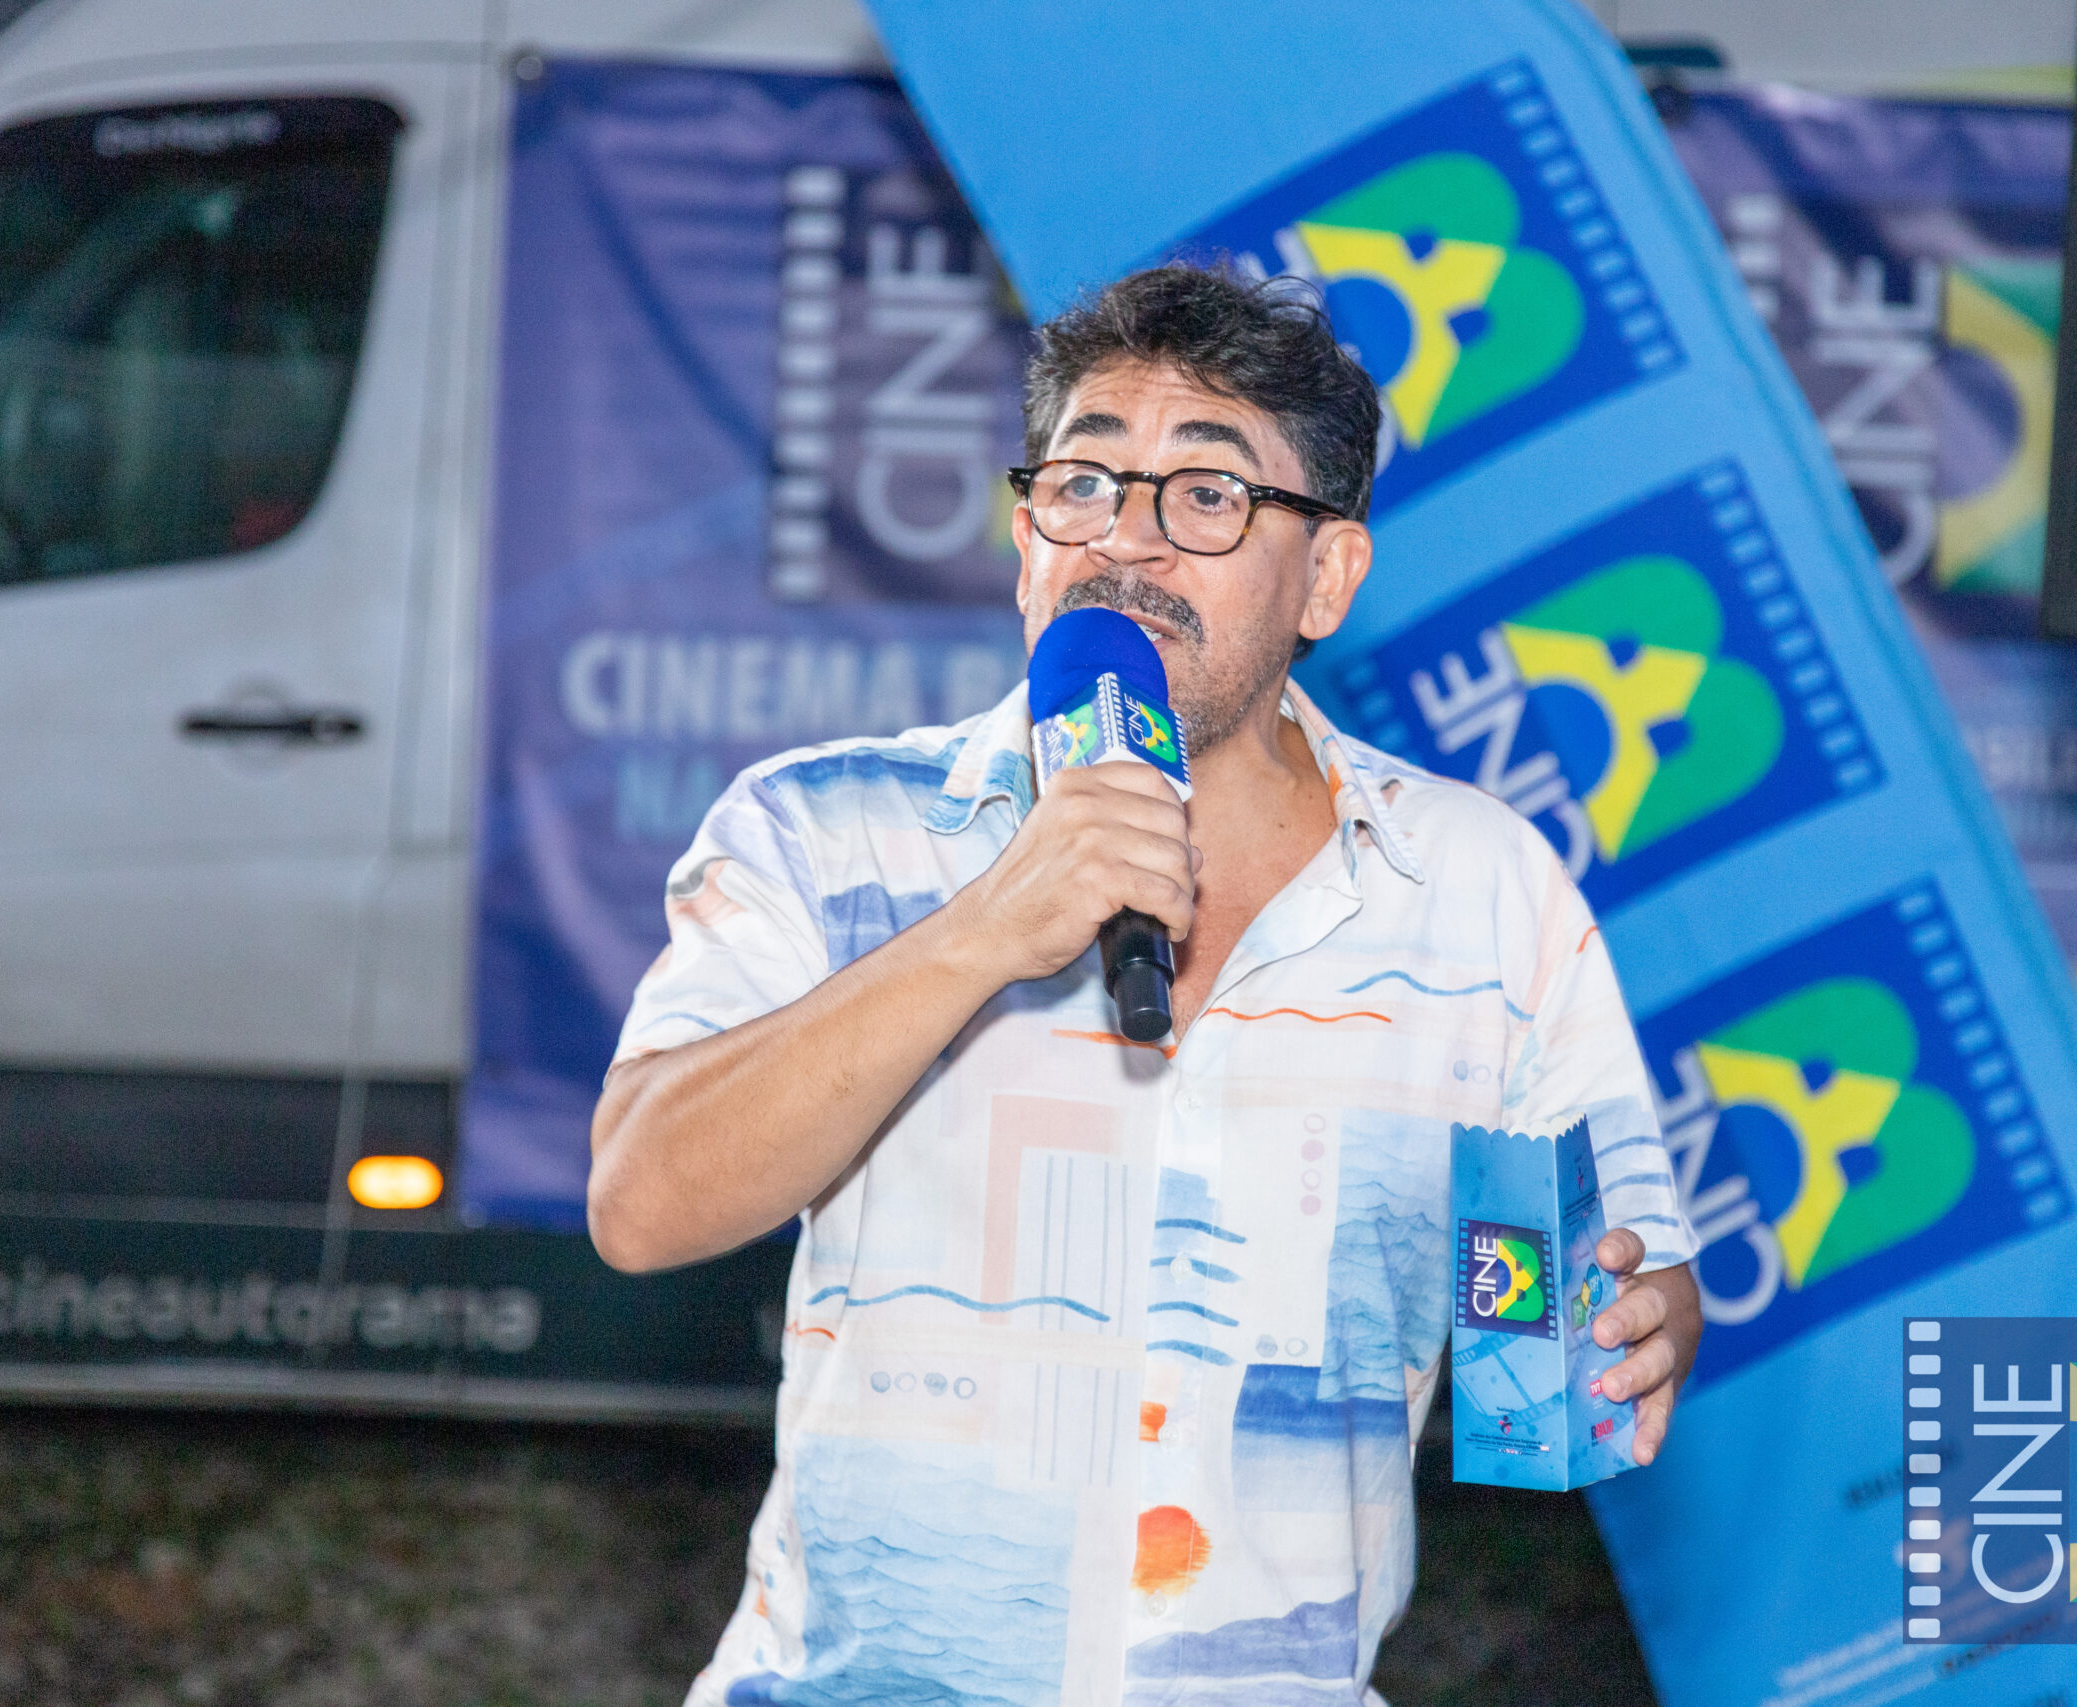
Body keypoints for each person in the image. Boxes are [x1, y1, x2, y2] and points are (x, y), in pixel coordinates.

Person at [588, 262, 1702, 1706]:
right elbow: (641, 1201)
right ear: (1025, 541)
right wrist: (982, 930)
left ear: (1327, 577)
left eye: (1207, 495)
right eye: (1085, 484)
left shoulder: (1479, 892)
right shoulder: (826, 830)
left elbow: (1588, 1306)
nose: (1126, 540)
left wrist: (1637, 1324)